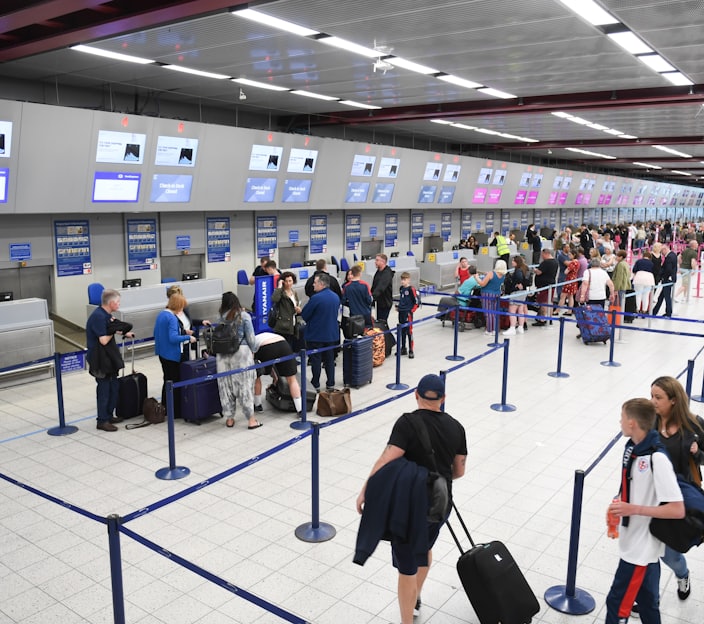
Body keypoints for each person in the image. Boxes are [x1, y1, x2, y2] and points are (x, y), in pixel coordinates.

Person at [354, 374, 467, 624]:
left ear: (416, 395)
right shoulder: (457, 427)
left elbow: (386, 460)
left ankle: (407, 620)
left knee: (406, 565)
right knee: (424, 549)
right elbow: (459, 471)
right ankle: (416, 597)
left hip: (408, 507)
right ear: (443, 399)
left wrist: (366, 490)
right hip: (440, 504)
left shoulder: (407, 423)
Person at [604, 397, 684, 624]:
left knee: (617, 605)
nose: (619, 421)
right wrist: (620, 501)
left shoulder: (657, 458)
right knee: (648, 605)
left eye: (622, 417)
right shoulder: (633, 448)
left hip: (640, 550)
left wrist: (632, 508)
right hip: (637, 545)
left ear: (632, 423)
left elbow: (677, 509)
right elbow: (633, 485)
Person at [648, 376, 704, 602]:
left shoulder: (694, 425)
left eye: (658, 397)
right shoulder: (649, 421)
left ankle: (683, 575)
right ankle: (649, 599)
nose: (652, 401)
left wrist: (697, 453)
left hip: (678, 501)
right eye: (651, 395)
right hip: (650, 496)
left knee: (671, 556)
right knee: (649, 554)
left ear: (673, 400)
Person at [86, 288, 134, 432]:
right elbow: (103, 340)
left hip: (109, 358)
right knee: (104, 390)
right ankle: (102, 420)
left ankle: (109, 415)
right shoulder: (98, 317)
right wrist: (114, 331)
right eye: (118, 302)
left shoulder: (106, 315)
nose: (119, 305)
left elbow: (111, 328)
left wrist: (124, 332)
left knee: (114, 387)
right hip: (100, 359)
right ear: (111, 302)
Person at [215, 292, 260, 429]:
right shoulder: (244, 316)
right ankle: (251, 420)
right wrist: (256, 348)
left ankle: (229, 418)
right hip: (241, 354)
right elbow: (252, 340)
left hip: (222, 356)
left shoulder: (221, 317)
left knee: (225, 386)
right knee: (244, 387)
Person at [153, 292, 196, 420]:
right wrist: (188, 337)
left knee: (167, 380)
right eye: (181, 306)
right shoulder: (172, 318)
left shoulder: (162, 314)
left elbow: (159, 332)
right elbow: (173, 338)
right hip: (172, 355)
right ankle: (175, 411)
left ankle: (166, 407)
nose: (182, 309)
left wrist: (182, 332)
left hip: (162, 353)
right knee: (175, 383)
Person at [301, 272, 340, 392]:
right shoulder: (335, 296)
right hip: (331, 334)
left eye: (315, 282)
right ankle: (331, 383)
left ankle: (316, 383)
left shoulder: (315, 298)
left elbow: (305, 315)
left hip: (316, 335)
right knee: (329, 359)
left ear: (322, 284)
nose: (313, 285)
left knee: (316, 360)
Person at [252, 331, 304, 416]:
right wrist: (275, 378)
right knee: (291, 379)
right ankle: (300, 410)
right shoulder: (265, 335)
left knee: (257, 376)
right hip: (283, 345)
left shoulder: (251, 341)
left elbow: (254, 361)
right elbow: (273, 364)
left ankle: (258, 405)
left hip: (265, 346)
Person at [165, 284, 210, 362]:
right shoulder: (168, 314)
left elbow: (188, 321)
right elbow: (171, 332)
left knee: (186, 367)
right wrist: (185, 332)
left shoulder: (184, 309)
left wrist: (201, 322)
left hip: (186, 345)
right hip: (175, 348)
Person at [270, 271, 302, 350]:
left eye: (290, 281)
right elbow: (274, 299)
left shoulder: (294, 293)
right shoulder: (280, 292)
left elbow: (296, 304)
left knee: (290, 346)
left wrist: (298, 309)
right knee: (283, 347)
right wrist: (279, 287)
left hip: (292, 323)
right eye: (286, 281)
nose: (288, 283)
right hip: (282, 325)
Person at [475, 259, 506, 335]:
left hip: (487, 294)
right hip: (497, 294)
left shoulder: (491, 273)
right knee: (494, 312)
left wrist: (476, 277)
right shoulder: (503, 275)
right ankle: (495, 329)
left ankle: (489, 330)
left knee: (488, 313)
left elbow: (482, 284)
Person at [503, 255, 529, 335]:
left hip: (516, 293)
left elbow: (519, 278)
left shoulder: (518, 271)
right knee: (520, 310)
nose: (512, 262)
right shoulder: (525, 269)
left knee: (512, 310)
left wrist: (518, 284)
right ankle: (520, 327)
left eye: (513, 261)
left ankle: (512, 328)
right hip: (523, 293)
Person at [342, 264, 374, 329]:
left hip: (354, 315)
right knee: (368, 334)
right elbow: (369, 300)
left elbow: (343, 301)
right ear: (359, 273)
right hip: (365, 314)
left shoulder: (346, 287)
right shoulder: (365, 285)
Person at [532, 248, 558, 327]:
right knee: (550, 301)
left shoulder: (546, 263)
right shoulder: (555, 262)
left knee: (543, 302)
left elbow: (539, 272)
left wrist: (535, 270)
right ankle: (549, 319)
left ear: (545, 254)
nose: (542, 257)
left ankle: (542, 319)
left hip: (544, 285)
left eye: (542, 255)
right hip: (551, 284)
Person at [397, 272, 420, 358]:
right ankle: (403, 348)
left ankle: (411, 350)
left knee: (409, 332)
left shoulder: (411, 289)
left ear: (408, 280)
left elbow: (416, 302)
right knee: (402, 331)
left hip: (408, 313)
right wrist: (399, 307)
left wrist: (411, 311)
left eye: (405, 279)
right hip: (401, 312)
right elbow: (402, 300)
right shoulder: (401, 289)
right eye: (402, 279)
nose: (403, 281)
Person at [652, 244, 677, 318]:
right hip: (670, 279)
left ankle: (668, 312)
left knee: (666, 297)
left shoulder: (669, 257)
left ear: (665, 250)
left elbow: (668, 269)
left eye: (662, 251)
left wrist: (663, 277)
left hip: (667, 280)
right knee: (661, 297)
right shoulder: (673, 255)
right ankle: (654, 311)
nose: (661, 253)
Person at [371, 253, 394, 322]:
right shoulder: (378, 271)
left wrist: (372, 297)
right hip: (379, 303)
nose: (375, 262)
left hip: (385, 303)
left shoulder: (387, 273)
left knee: (382, 322)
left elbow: (380, 287)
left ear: (383, 262)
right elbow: (374, 286)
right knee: (379, 322)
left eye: (377, 260)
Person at [632, 250, 655, 314]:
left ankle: (637, 309)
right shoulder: (651, 263)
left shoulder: (639, 261)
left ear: (643, 256)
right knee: (646, 295)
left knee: (638, 295)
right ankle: (644, 310)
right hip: (649, 279)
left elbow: (634, 270)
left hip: (639, 277)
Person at [556, 249, 579, 314]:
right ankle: (570, 310)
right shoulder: (577, 262)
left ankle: (557, 310)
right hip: (574, 279)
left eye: (570, 254)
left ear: (574, 255)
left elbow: (566, 272)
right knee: (570, 296)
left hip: (569, 280)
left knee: (563, 295)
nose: (568, 256)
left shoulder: (572, 263)